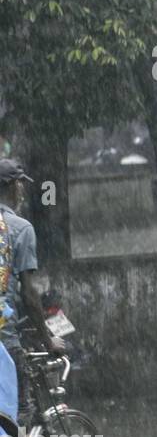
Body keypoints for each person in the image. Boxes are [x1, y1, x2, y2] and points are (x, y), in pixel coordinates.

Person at [0, 161, 66, 413]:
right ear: (11, 186)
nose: (23, 190)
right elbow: (29, 294)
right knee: (20, 414)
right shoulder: (20, 228)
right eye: (20, 183)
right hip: (4, 338)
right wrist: (47, 340)